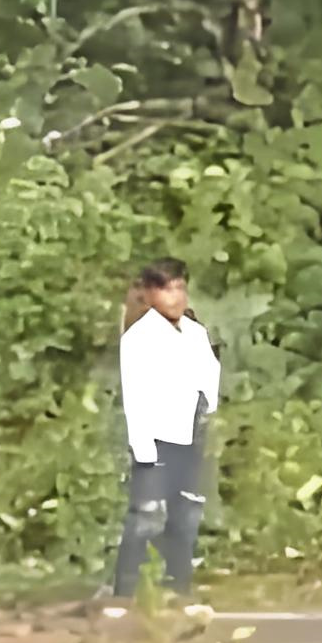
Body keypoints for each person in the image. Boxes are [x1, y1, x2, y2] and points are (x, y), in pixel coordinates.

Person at [108, 259, 221, 618]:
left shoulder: (195, 332)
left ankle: (179, 590)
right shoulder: (140, 338)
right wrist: (143, 448)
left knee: (186, 515)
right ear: (151, 293)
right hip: (155, 436)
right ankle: (123, 594)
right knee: (145, 515)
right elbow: (135, 395)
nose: (175, 297)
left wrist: (209, 416)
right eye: (166, 289)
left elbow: (210, 378)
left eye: (179, 288)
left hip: (190, 433)